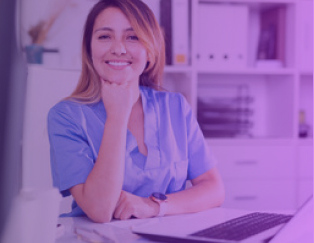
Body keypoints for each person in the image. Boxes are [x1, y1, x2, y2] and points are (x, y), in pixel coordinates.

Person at [47, 0, 224, 223]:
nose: (118, 48)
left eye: (132, 37)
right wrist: (117, 117)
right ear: (89, 48)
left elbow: (213, 188)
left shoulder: (175, 107)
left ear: (150, 50)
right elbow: (100, 210)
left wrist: (152, 206)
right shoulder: (66, 117)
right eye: (104, 36)